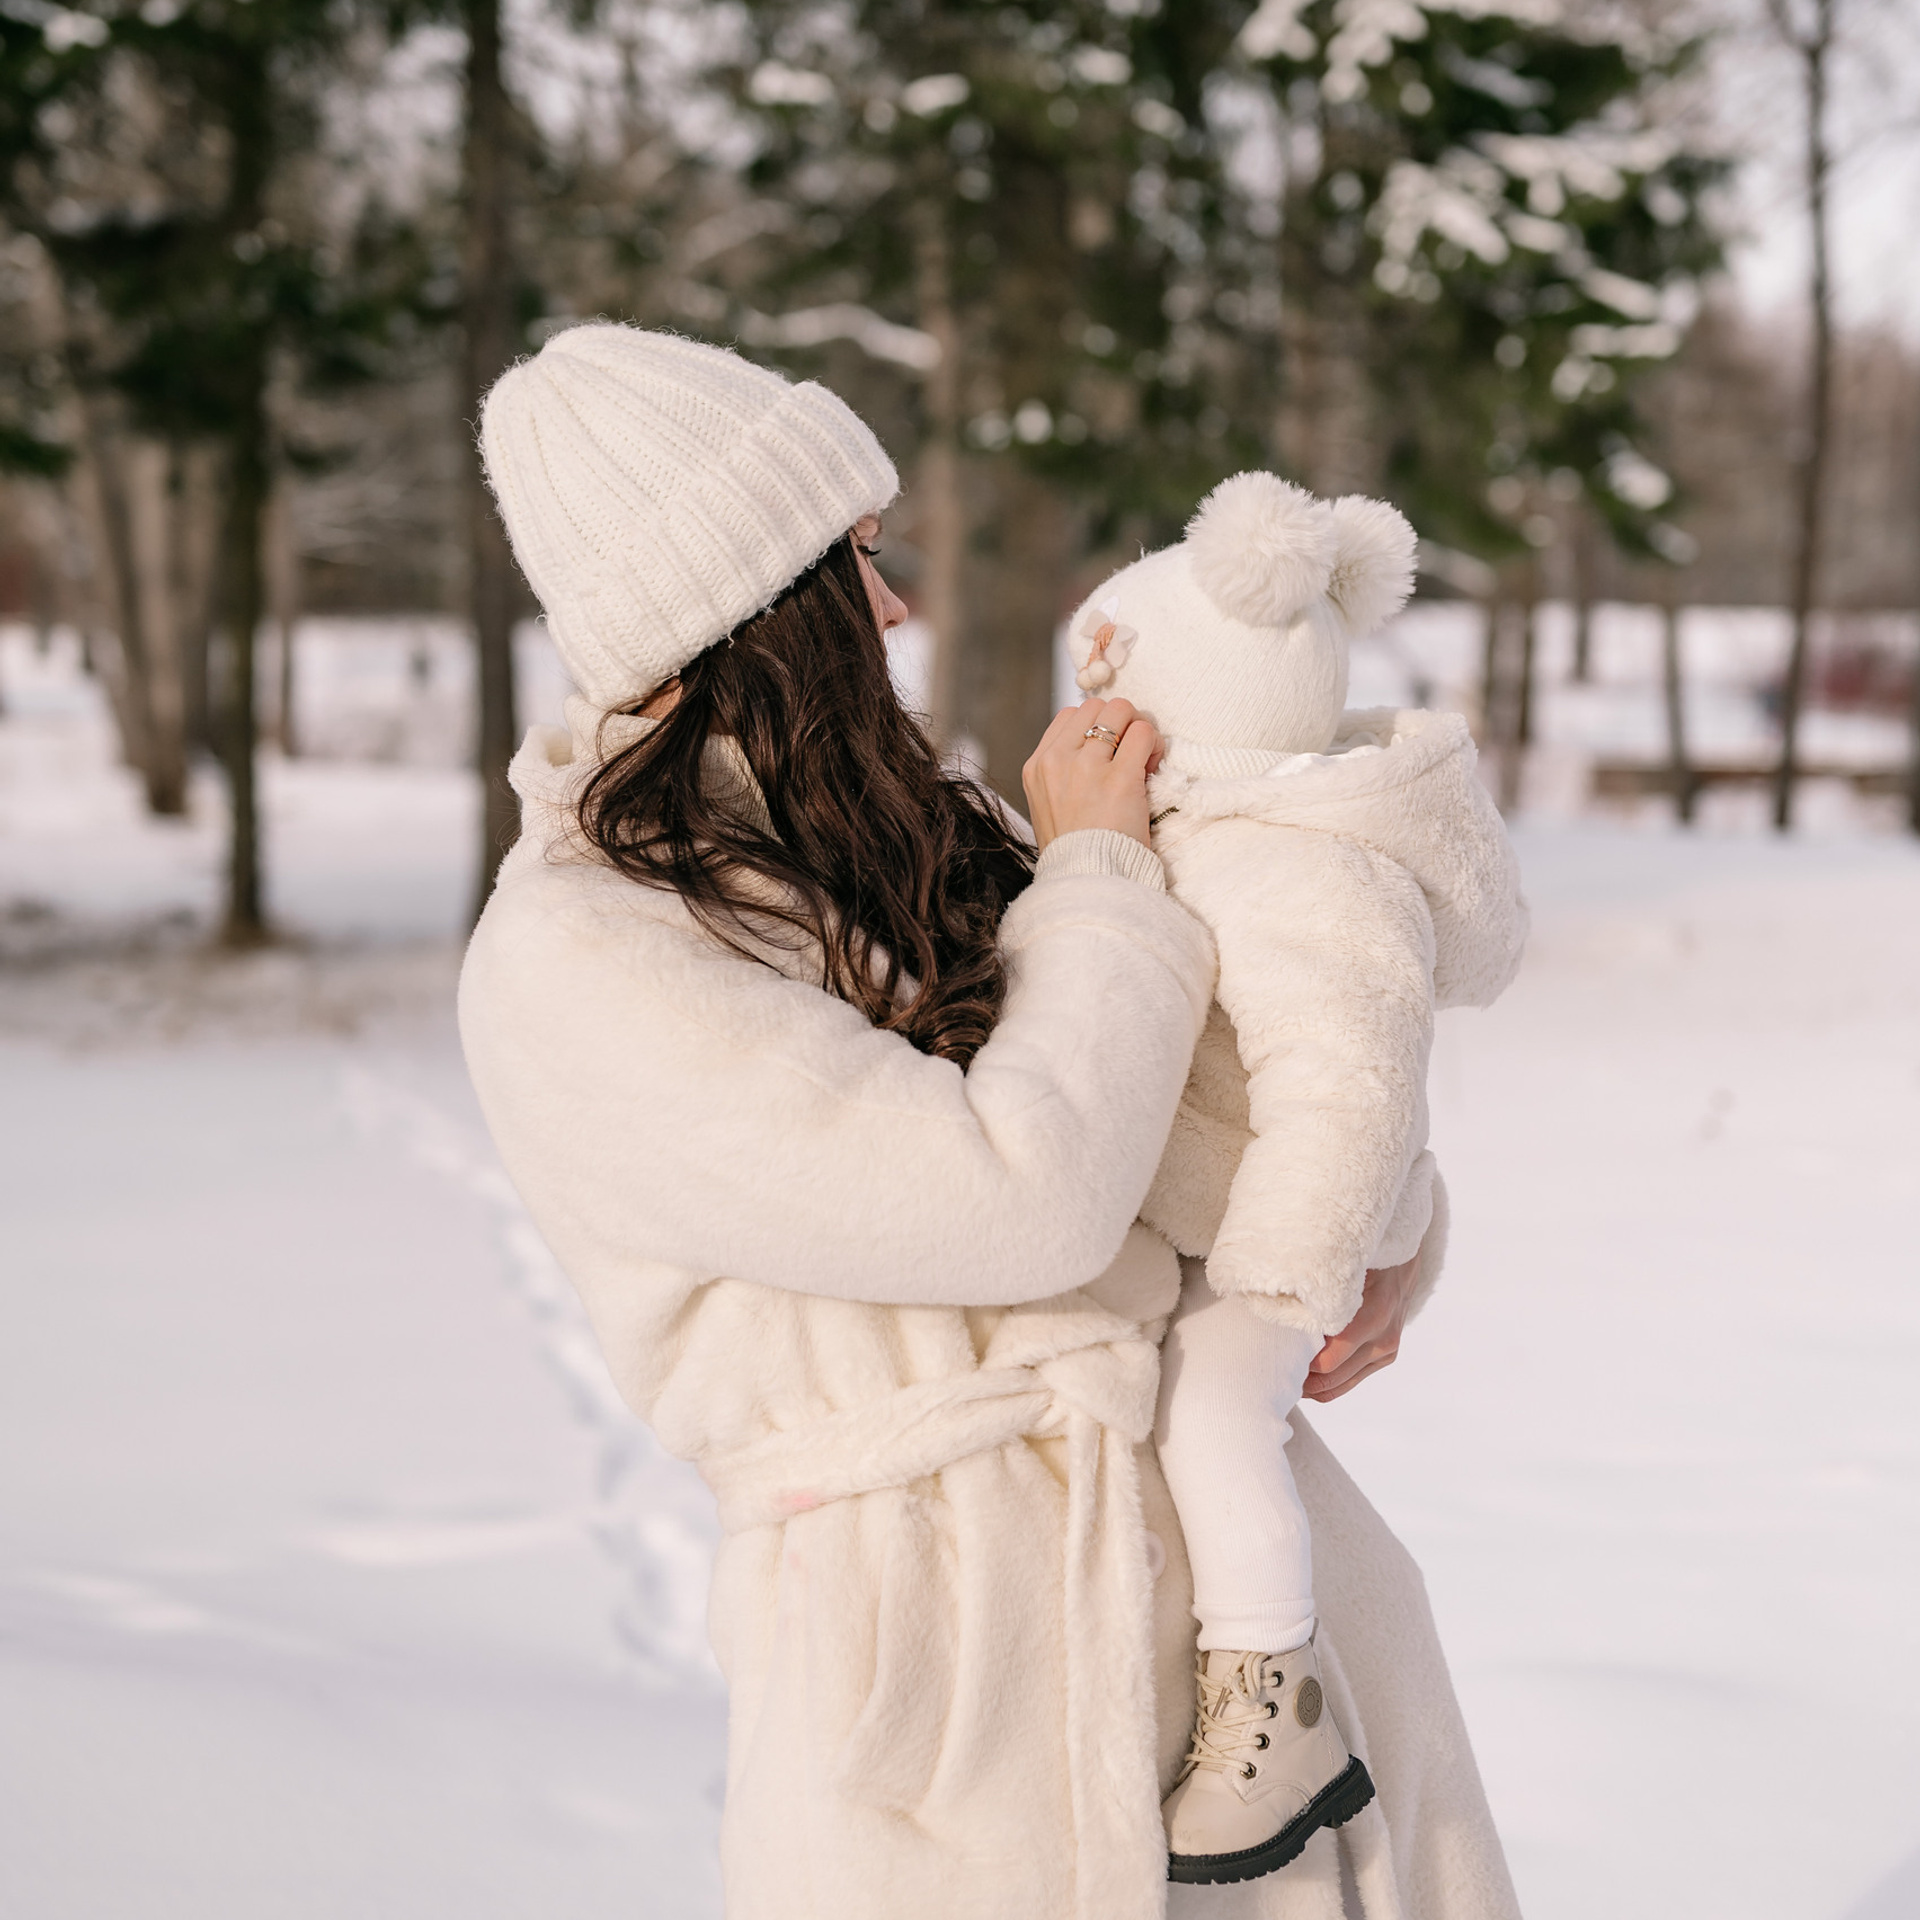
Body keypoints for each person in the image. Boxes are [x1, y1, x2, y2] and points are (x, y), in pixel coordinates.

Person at [458, 321, 1523, 1920]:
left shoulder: (888, 833)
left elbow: (1219, 1063)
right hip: (957, 1671)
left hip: (1252, 1626)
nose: (895, 607)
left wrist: (1387, 1222)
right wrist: (1093, 872)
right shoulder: (584, 954)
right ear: (745, 609)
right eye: (855, 563)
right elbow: (1020, 1195)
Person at [1058, 473, 1529, 1886]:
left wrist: (1284, 1267)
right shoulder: (1214, 836)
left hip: (1284, 1235)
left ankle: (1276, 1703)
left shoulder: (1303, 874)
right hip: (1249, 1211)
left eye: (1110, 680)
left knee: (1215, 1414)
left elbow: (1352, 1091)